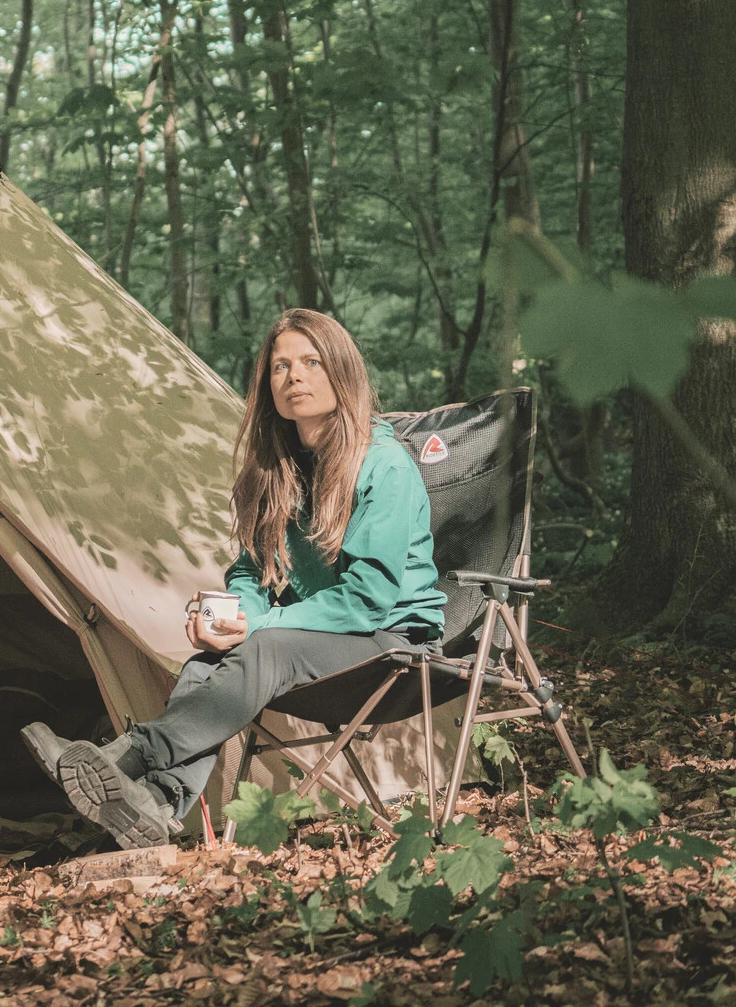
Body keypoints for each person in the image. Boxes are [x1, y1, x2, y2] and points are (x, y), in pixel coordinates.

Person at [23, 310, 445, 848]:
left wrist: (259, 626)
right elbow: (251, 569)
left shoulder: (383, 466)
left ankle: (128, 756)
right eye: (280, 366)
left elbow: (367, 600)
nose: (294, 376)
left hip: (394, 645)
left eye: (312, 362)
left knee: (268, 647)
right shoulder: (280, 470)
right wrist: (232, 616)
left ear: (343, 372)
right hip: (322, 640)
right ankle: (155, 804)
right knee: (207, 664)